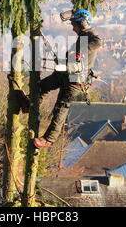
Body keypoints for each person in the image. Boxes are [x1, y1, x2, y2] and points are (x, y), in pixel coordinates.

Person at [33, 9, 102, 148]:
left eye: (74, 24)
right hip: (66, 71)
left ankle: (48, 139)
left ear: (82, 24)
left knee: (61, 108)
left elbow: (97, 43)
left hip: (76, 80)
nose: (73, 27)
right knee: (43, 85)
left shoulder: (92, 36)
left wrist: (82, 51)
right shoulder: (83, 34)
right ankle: (30, 103)